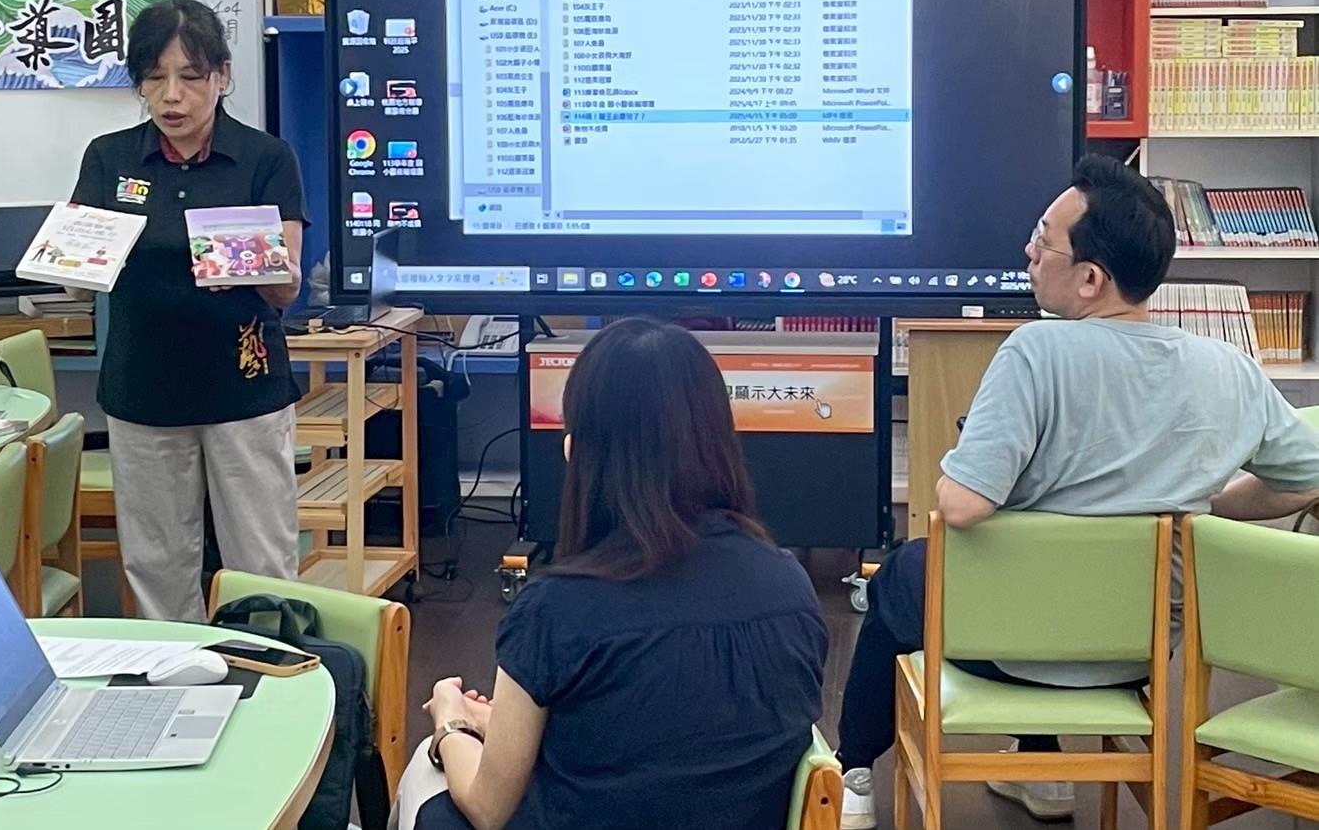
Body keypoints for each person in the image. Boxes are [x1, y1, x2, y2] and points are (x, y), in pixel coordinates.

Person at [836, 153, 1319, 830]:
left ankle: (851, 775)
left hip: (1005, 645)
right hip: (1137, 653)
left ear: (1091, 278)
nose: (1028, 252)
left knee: (902, 573)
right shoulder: (1227, 368)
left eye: (1043, 241)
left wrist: (958, 464)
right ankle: (1043, 767)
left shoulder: (1034, 352)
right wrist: (1207, 504)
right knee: (1034, 578)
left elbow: (964, 505)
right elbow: (1305, 478)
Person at [392, 317, 829, 830]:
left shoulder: (554, 610)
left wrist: (450, 721)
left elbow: (489, 807)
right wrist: (498, 724)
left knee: (426, 771)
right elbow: (677, 736)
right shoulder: (789, 585)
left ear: (576, 451)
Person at [68, 0, 307, 623]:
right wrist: (67, 261)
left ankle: (272, 670)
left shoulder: (264, 158)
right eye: (154, 78)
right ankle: (173, 674)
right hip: (142, 388)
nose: (172, 96)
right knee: (157, 563)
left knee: (261, 559)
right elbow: (80, 270)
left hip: (244, 387)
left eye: (191, 77)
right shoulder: (109, 157)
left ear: (222, 76)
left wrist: (255, 266)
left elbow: (287, 289)